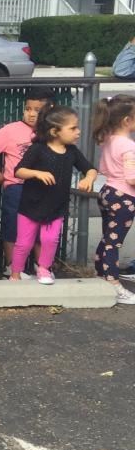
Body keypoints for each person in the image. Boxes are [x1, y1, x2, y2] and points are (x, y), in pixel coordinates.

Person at [11, 106, 95, 283]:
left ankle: (44, 269)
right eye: (73, 128)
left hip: (56, 207)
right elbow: (19, 171)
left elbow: (90, 169)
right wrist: (37, 173)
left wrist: (88, 178)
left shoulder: (72, 151)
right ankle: (15, 274)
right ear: (55, 131)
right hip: (30, 206)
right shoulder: (38, 149)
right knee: (24, 243)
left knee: (50, 240)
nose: (78, 132)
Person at [0, 88, 56, 278]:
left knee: (41, 227)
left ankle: (41, 266)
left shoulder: (53, 132)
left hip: (44, 188)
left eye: (37, 109)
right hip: (16, 187)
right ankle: (11, 266)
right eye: (28, 108)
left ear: (50, 110)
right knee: (13, 226)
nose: (31, 113)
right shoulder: (11, 130)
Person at [92, 95, 135, 305]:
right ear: (127, 120)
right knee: (113, 242)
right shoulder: (128, 146)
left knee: (107, 238)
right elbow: (132, 177)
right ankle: (114, 283)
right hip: (124, 197)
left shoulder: (108, 139)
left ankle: (101, 274)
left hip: (107, 191)